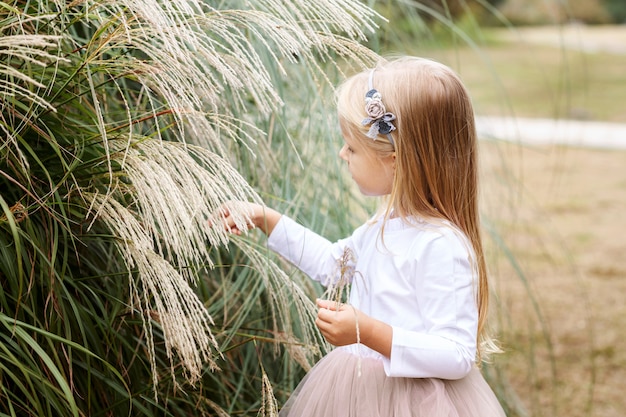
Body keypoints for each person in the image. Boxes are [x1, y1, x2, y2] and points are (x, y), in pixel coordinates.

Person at [219, 57, 507, 416]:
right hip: (360, 394)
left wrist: (368, 332)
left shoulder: (439, 245)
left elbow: (456, 354)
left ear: (396, 160)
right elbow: (331, 264)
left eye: (352, 148)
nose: (342, 154)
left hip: (417, 404)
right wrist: (267, 218)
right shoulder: (382, 225)